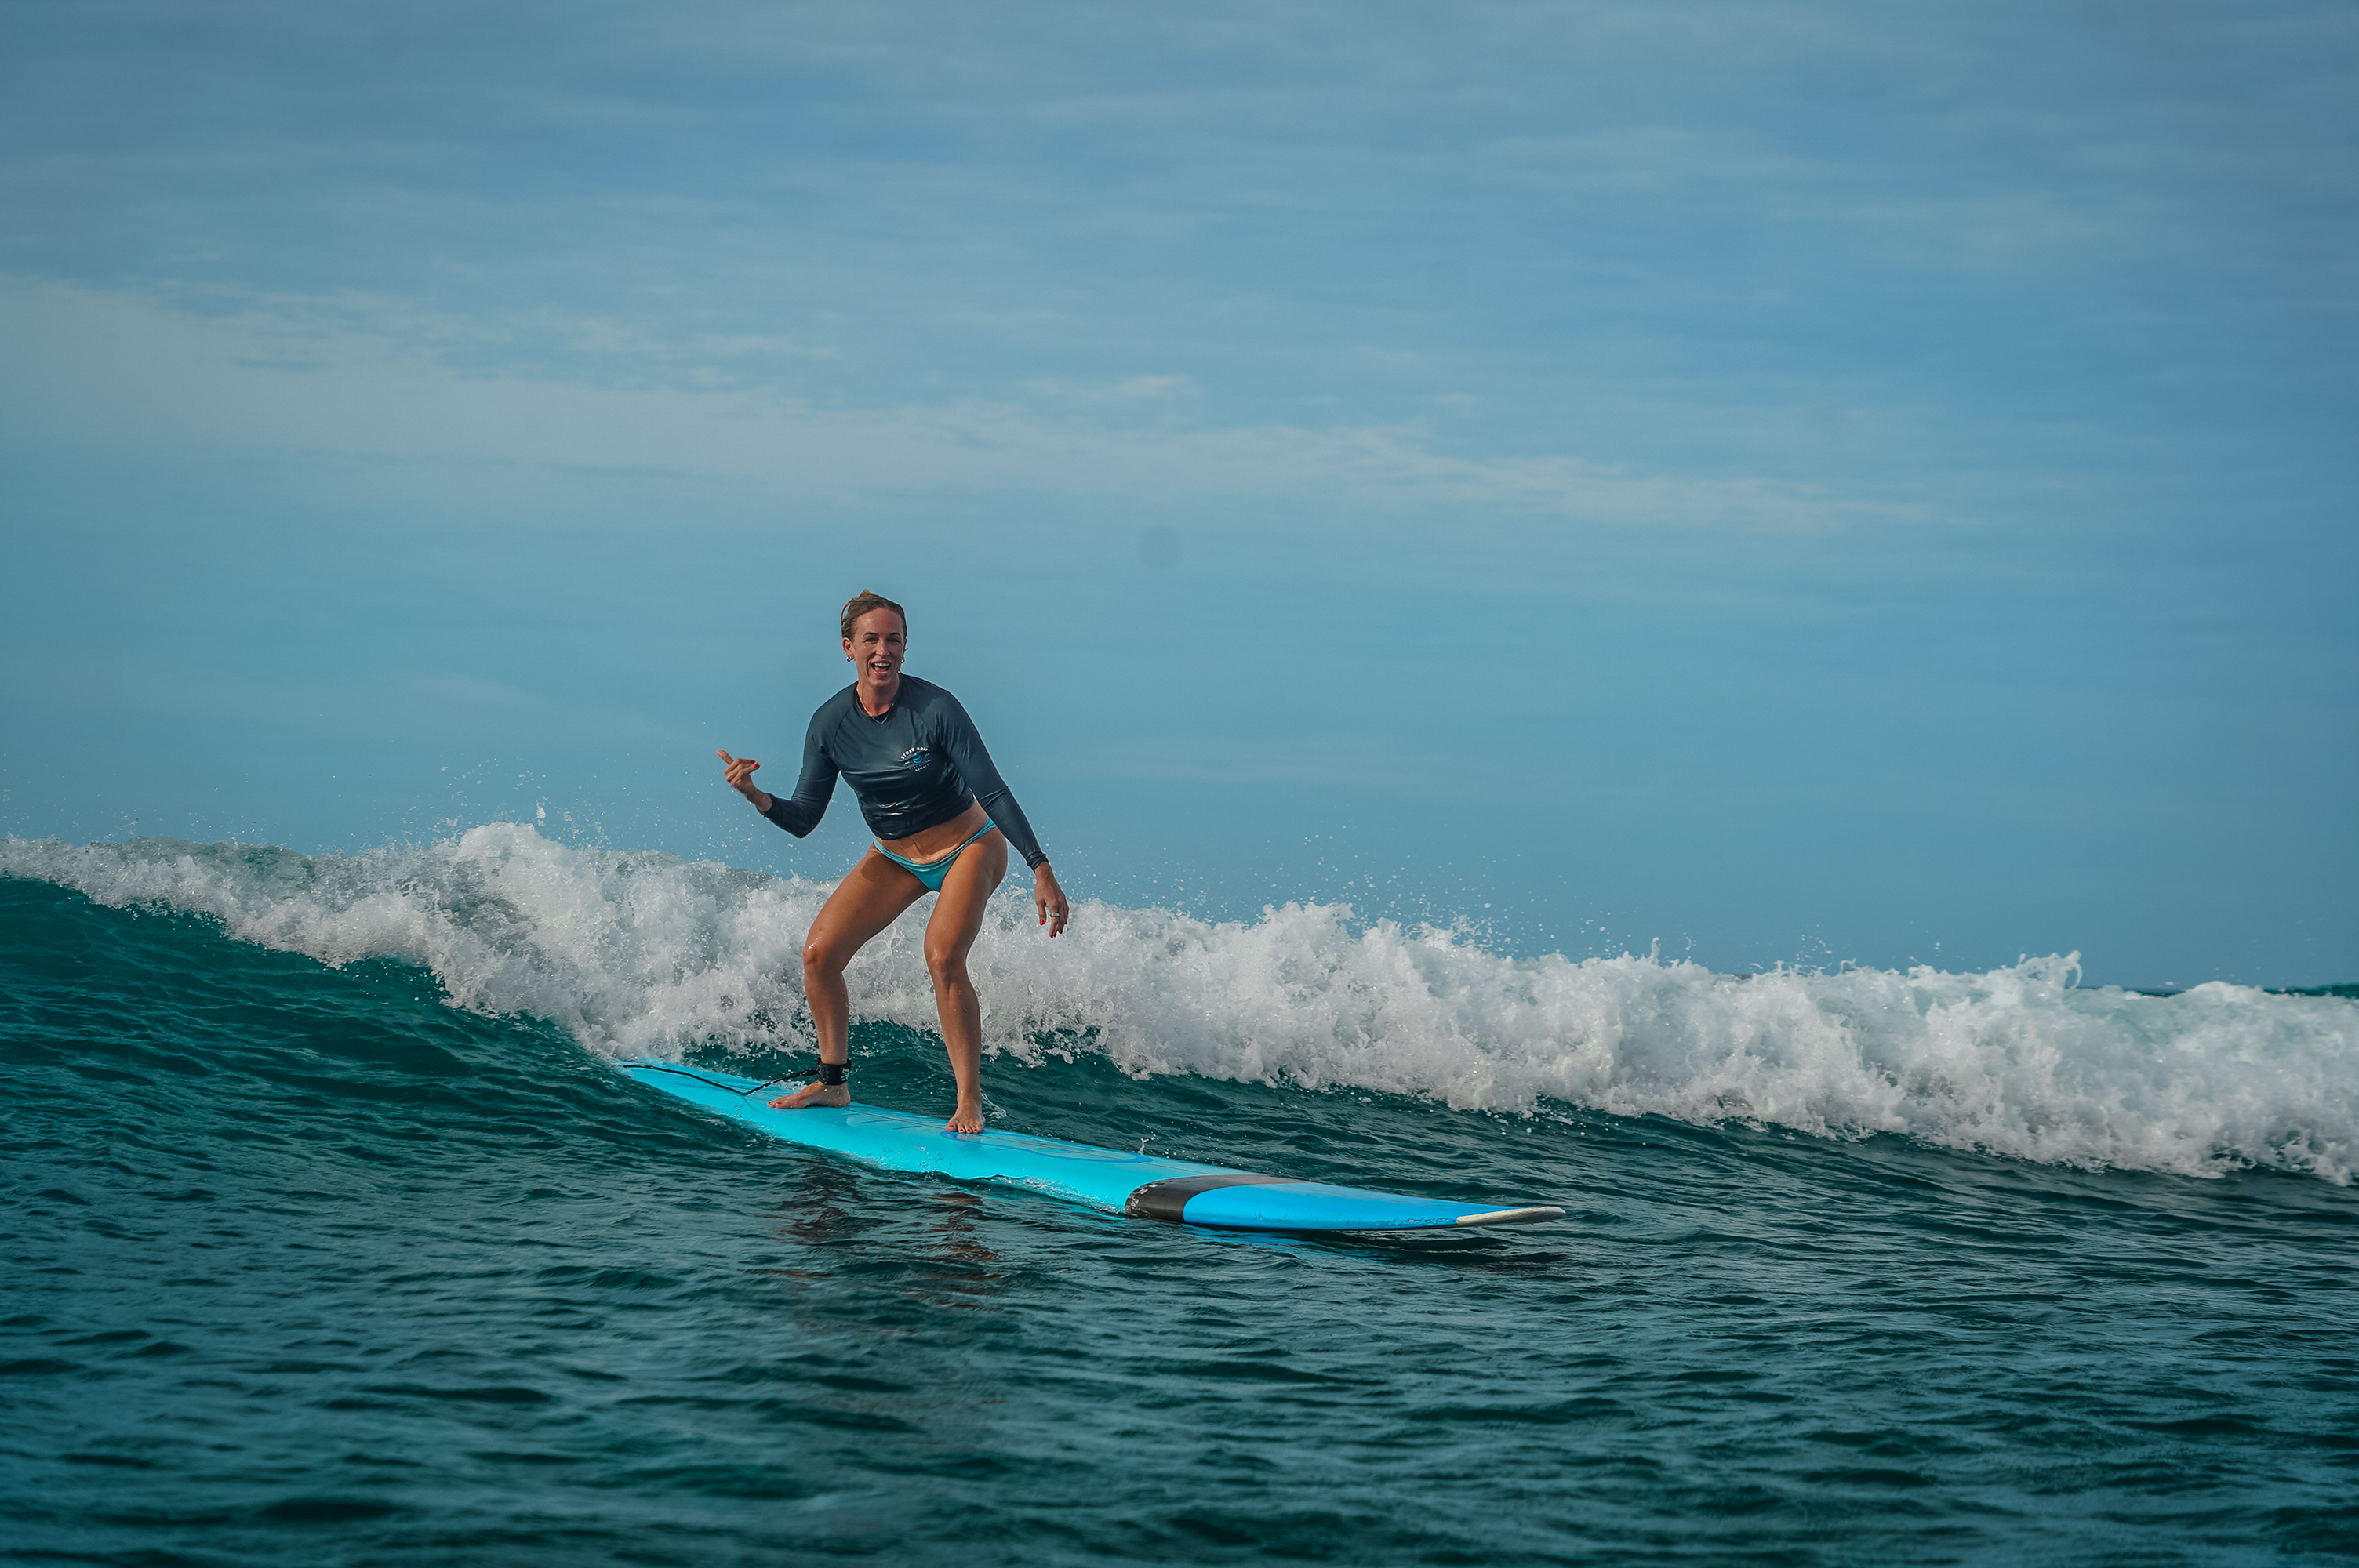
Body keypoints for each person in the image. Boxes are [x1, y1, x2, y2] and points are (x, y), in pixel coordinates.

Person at [717, 590, 1069, 1134]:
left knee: (943, 956)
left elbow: (993, 792)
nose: (884, 651)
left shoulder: (935, 709)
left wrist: (1040, 866)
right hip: (895, 856)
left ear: (905, 647)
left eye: (895, 640)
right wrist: (757, 796)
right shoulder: (830, 723)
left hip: (970, 847)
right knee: (818, 953)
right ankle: (833, 1083)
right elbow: (805, 817)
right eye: (872, 640)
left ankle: (969, 1100)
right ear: (848, 647)